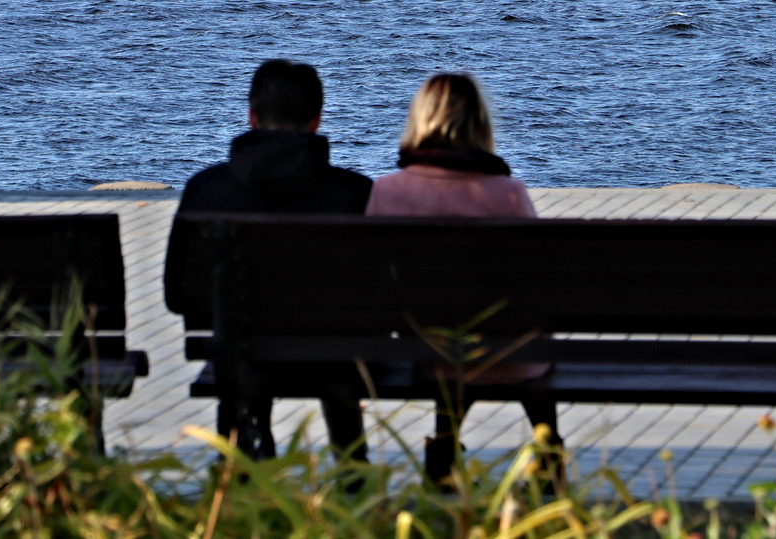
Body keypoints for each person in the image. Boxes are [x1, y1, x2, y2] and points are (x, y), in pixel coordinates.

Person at [163, 59, 372, 461]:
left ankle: (242, 465)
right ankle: (352, 472)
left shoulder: (207, 191)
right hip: (335, 356)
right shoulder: (356, 194)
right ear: (316, 120)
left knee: (239, 345)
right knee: (336, 354)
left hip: (239, 351)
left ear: (252, 117)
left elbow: (179, 295)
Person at [366, 72, 560, 483]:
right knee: (515, 333)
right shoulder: (508, 193)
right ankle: (549, 447)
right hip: (513, 360)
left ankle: (445, 444)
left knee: (446, 336)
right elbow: (537, 282)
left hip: (429, 356)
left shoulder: (388, 192)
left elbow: (375, 285)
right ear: (480, 124)